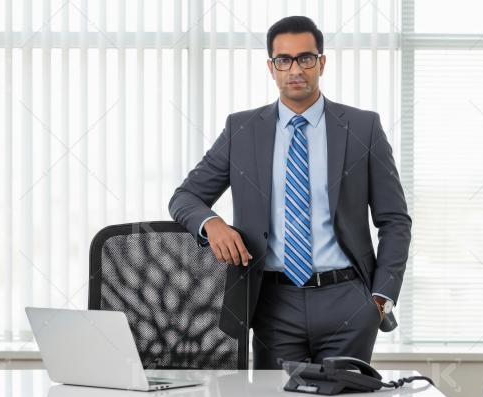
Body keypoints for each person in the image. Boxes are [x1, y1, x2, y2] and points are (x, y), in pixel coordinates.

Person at [168, 16, 411, 369]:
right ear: (271, 67)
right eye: (284, 60)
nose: (295, 69)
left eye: (305, 58)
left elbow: (395, 220)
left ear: (321, 63)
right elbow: (185, 197)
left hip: (348, 301)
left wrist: (380, 299)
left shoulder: (363, 127)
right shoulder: (242, 129)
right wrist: (212, 224)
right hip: (273, 303)